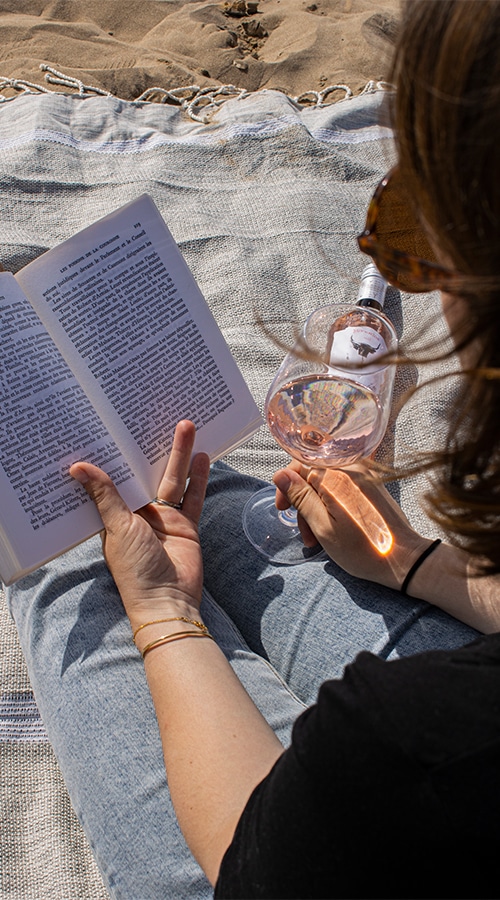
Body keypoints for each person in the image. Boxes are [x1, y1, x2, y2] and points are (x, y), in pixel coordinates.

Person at [6, 0, 500, 897]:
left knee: (79, 562)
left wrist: (166, 618)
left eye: (421, 227)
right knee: (211, 500)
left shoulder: (408, 740)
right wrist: (421, 563)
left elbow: (256, 861)